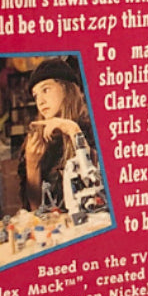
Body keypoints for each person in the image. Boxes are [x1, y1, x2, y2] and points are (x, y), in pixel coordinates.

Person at [18, 57, 100, 214]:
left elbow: (99, 187)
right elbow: (36, 210)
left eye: (46, 90)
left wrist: (73, 131)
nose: (40, 101)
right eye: (35, 96)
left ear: (66, 89)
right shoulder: (37, 141)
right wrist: (32, 166)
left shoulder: (94, 129)